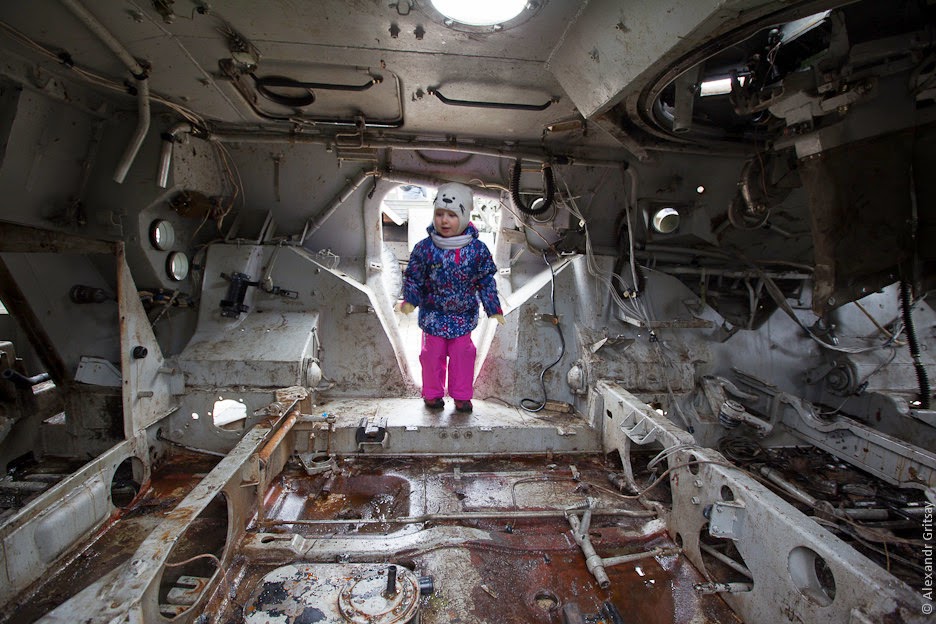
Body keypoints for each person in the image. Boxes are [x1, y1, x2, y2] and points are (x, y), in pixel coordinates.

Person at [401, 182, 505, 413]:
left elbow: (485, 281)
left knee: (463, 357)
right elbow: (414, 278)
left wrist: (493, 308)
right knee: (431, 357)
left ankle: (461, 396)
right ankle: (432, 395)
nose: (444, 221)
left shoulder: (477, 250)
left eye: (452, 215)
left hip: (462, 316)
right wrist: (410, 300)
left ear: (465, 216)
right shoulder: (424, 248)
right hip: (433, 316)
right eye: (440, 214)